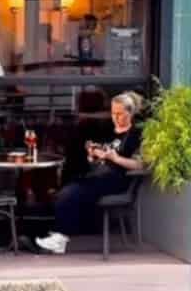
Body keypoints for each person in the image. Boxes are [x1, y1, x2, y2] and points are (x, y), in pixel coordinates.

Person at [36, 91, 144, 255]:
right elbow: (101, 156)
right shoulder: (109, 130)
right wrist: (93, 154)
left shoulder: (136, 135)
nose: (115, 117)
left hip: (118, 179)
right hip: (99, 175)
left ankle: (60, 239)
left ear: (130, 113)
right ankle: (57, 235)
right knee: (67, 188)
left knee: (72, 192)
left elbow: (140, 164)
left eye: (120, 114)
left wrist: (116, 159)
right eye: (113, 113)